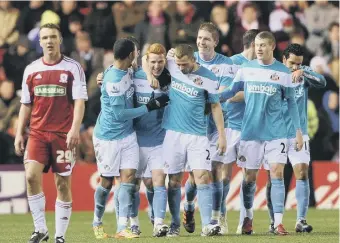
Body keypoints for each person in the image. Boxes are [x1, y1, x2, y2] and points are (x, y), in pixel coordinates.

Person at [219, 31, 303, 235]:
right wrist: (213, 97)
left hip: (276, 132)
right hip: (251, 131)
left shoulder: (283, 71)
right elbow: (231, 91)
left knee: (277, 174)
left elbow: (291, 102)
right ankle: (247, 217)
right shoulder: (246, 68)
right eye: (257, 44)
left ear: (272, 46)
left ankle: (278, 222)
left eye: (263, 45)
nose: (258, 48)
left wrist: (298, 131)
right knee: (249, 177)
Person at [14, 23, 88, 243]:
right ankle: (40, 229)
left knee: (62, 184)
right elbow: (25, 104)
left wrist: (75, 128)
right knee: (30, 176)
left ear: (60, 39)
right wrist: (19, 133)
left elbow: (80, 101)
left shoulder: (73, 68)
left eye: (53, 37)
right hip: (37, 133)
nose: (49, 41)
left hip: (62, 135)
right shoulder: (31, 69)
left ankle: (59, 236)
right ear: (40, 41)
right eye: (45, 37)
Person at [145, 44, 226, 236]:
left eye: (184, 64)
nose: (180, 68)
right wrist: (151, 74)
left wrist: (222, 135)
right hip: (173, 134)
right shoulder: (171, 64)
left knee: (202, 177)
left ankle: (207, 225)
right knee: (174, 181)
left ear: (193, 59)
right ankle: (174, 224)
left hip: (198, 135)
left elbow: (215, 107)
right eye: (178, 65)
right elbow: (145, 58)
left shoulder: (209, 77)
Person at [91, 38, 169, 239]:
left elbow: (145, 61)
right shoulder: (114, 81)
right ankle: (97, 222)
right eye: (135, 51)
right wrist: (148, 107)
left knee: (128, 180)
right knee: (107, 182)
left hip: (128, 135)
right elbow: (120, 115)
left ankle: (123, 226)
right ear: (130, 55)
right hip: (109, 137)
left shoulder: (127, 69)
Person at [265, 43, 326, 233]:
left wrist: (304, 73)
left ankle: (301, 220)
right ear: (283, 59)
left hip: (300, 133)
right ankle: (274, 221)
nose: (295, 67)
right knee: (275, 177)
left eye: (299, 64)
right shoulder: (273, 73)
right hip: (277, 133)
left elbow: (322, 82)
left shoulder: (303, 74)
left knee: (302, 172)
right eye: (292, 63)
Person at [181, 22, 235, 235]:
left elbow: (222, 93)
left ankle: (215, 220)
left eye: (206, 39)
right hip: (194, 127)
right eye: (199, 38)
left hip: (217, 125)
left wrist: (200, 97)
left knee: (215, 171)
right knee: (196, 177)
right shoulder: (187, 59)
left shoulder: (226, 64)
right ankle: (188, 205)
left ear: (215, 42)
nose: (201, 42)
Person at [229, 29, 260, 235]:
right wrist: (257, 94)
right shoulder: (231, 64)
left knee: (250, 176)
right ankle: (217, 220)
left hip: (251, 127)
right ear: (254, 44)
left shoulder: (262, 67)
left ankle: (246, 219)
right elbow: (229, 95)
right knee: (221, 176)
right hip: (230, 126)